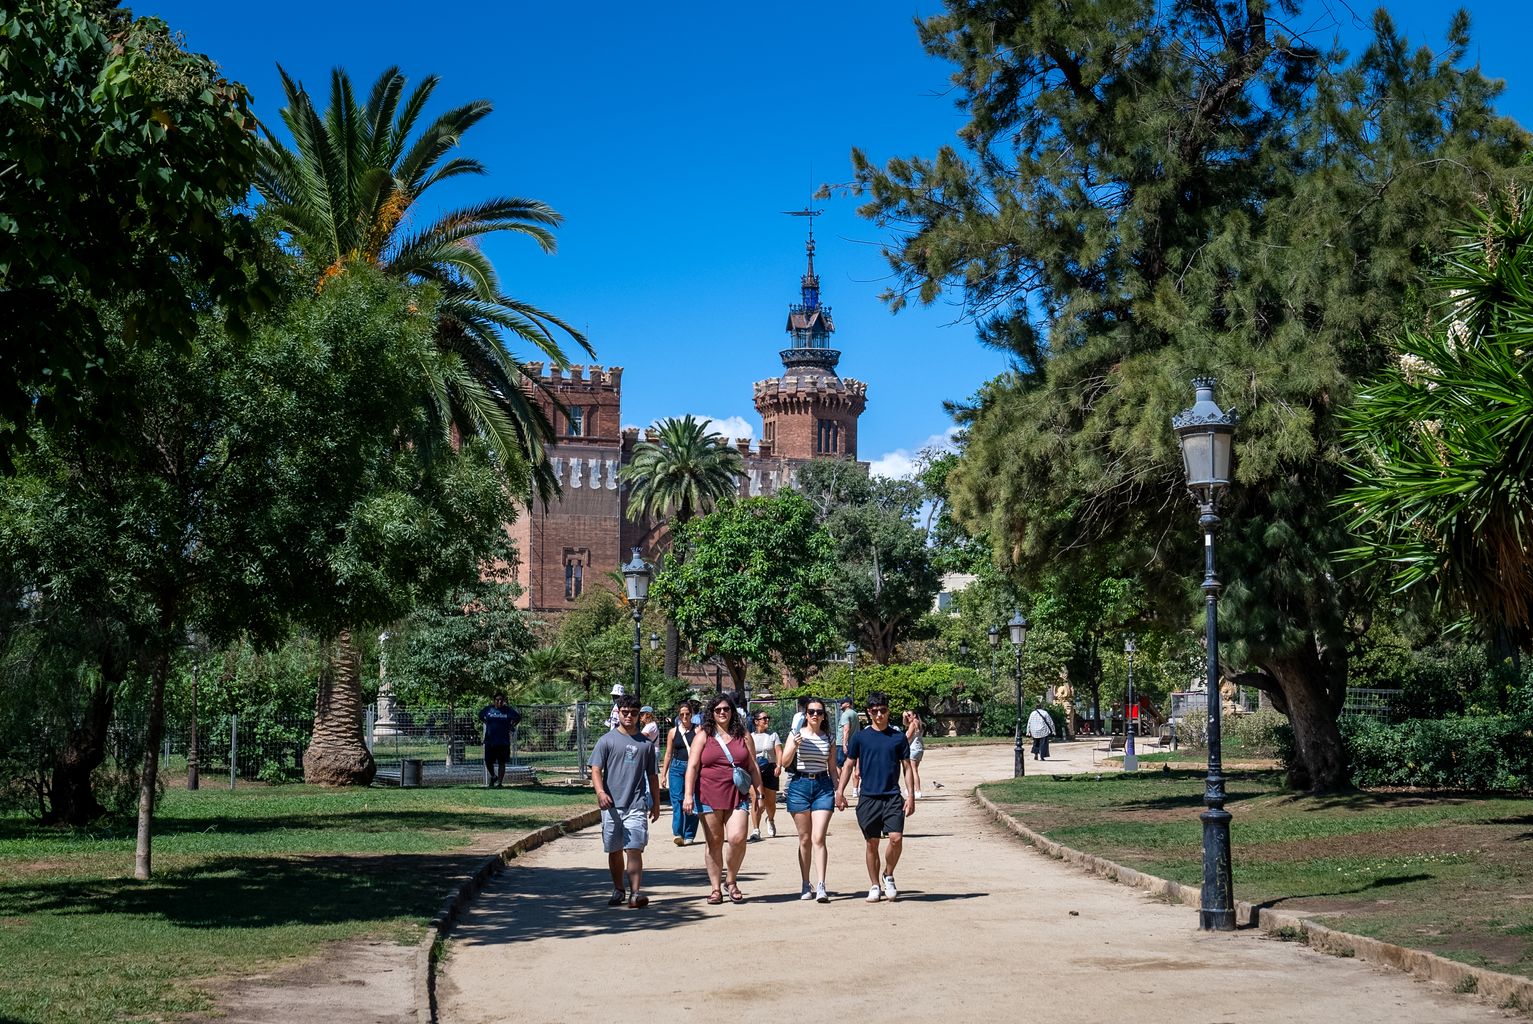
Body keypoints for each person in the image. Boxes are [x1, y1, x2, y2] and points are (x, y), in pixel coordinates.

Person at [683, 694, 762, 905]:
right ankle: (716, 888)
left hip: (738, 795)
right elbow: (692, 767)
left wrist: (759, 793)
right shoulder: (703, 735)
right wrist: (688, 795)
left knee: (737, 839)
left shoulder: (744, 735)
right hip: (708, 795)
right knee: (714, 841)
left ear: (732, 711)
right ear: (712, 713)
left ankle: (732, 880)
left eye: (726, 709)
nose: (722, 713)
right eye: (717, 710)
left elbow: (753, 766)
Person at [836, 691, 914, 903]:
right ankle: (874, 885)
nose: (879, 715)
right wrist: (840, 791)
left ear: (888, 711)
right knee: (872, 843)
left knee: (896, 838)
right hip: (868, 798)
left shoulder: (898, 737)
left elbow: (907, 768)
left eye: (883, 710)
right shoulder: (860, 738)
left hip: (892, 797)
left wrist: (911, 796)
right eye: (875, 711)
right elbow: (849, 764)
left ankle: (888, 875)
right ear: (869, 713)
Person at [589, 694, 660, 908]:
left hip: (636, 804)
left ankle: (635, 894)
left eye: (634, 713)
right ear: (618, 713)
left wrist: (655, 803)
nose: (629, 716)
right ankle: (618, 888)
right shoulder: (606, 740)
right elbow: (596, 769)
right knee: (614, 849)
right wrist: (600, 792)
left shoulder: (645, 744)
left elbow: (653, 776)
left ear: (640, 716)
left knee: (634, 848)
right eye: (625, 712)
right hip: (611, 806)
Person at [781, 697, 838, 902]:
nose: (815, 715)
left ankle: (821, 885)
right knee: (804, 839)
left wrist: (838, 791)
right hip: (800, 787)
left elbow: (832, 768)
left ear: (824, 716)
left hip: (823, 787)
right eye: (811, 711)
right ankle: (806, 883)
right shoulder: (796, 734)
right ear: (806, 714)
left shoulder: (829, 738)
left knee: (818, 838)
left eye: (819, 712)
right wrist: (794, 745)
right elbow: (784, 761)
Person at [658, 699, 699, 846]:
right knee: (677, 801)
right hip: (676, 767)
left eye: (687, 714)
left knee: (692, 800)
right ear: (678, 716)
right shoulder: (673, 732)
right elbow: (668, 754)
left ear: (692, 714)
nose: (685, 717)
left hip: (693, 768)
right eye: (682, 714)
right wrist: (663, 774)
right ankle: (678, 833)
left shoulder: (698, 730)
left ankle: (689, 833)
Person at [748, 711, 782, 841]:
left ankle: (770, 819)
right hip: (755, 770)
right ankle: (756, 829)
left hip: (770, 769)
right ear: (756, 721)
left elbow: (779, 752)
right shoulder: (750, 736)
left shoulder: (773, 735)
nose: (767, 720)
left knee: (770, 802)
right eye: (764, 718)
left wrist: (779, 766)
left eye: (768, 718)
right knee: (755, 799)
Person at [478, 693, 522, 787]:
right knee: (488, 761)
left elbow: (518, 717)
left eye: (501, 700)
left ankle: (500, 783)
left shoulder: (508, 710)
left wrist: (511, 726)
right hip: (490, 741)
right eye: (497, 700)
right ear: (494, 701)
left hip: (503, 741)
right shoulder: (489, 709)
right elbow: (480, 715)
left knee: (502, 762)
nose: (499, 701)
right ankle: (493, 776)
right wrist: (486, 722)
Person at [837, 698, 862, 796]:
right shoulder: (855, 714)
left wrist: (844, 744)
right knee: (855, 767)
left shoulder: (845, 714)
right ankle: (855, 790)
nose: (840, 704)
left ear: (848, 704)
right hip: (854, 743)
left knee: (838, 766)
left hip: (843, 744)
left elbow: (846, 729)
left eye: (842, 703)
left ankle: (838, 788)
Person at [903, 709, 926, 799]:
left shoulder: (913, 724)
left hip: (913, 749)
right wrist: (904, 716)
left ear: (914, 715)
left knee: (913, 770)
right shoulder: (918, 723)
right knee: (914, 770)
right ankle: (913, 789)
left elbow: (908, 736)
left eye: (909, 715)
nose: (908, 717)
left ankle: (917, 790)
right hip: (919, 749)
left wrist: (902, 744)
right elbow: (905, 723)